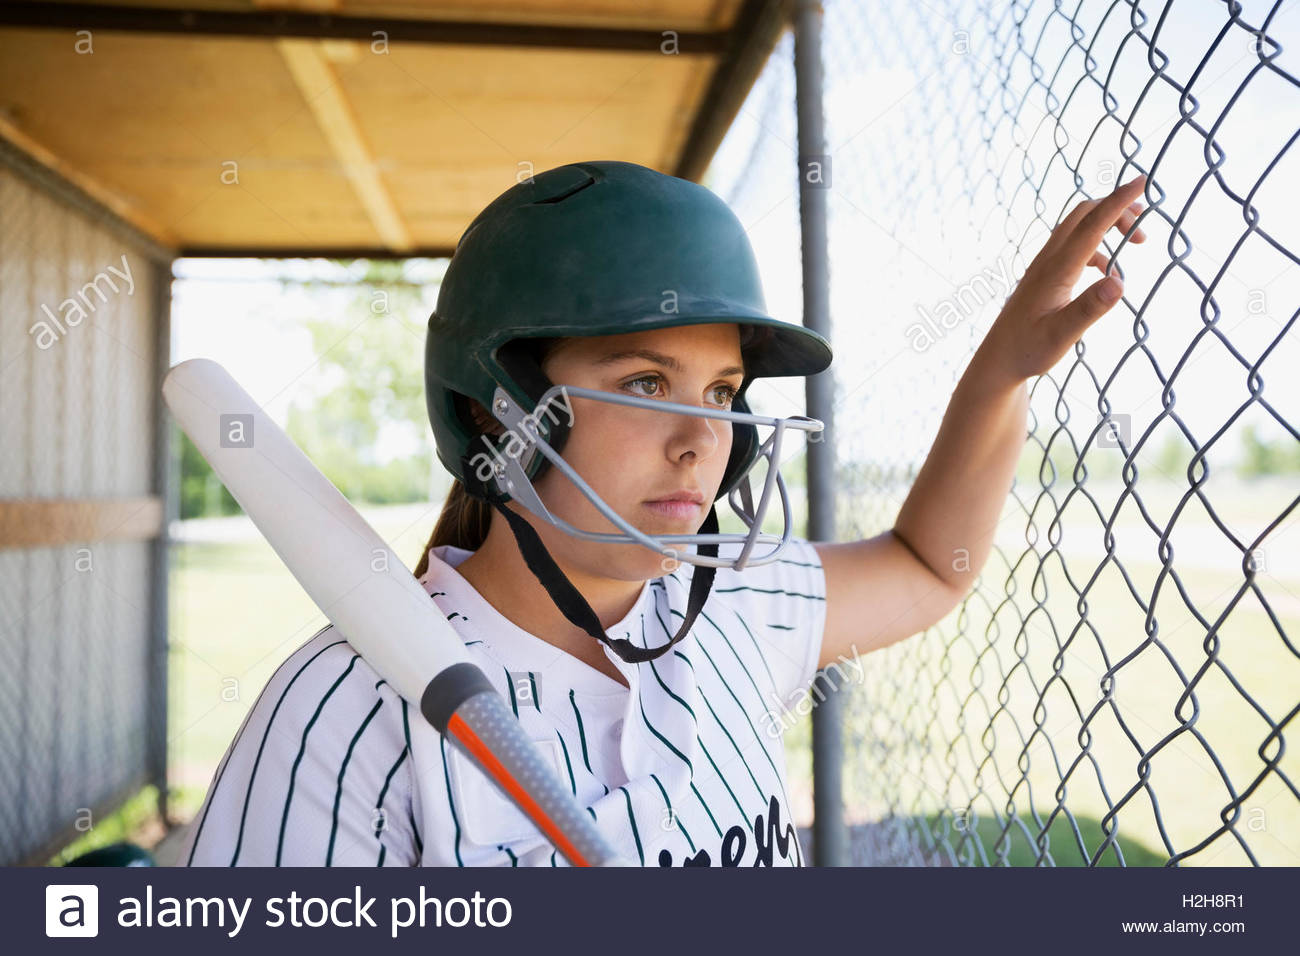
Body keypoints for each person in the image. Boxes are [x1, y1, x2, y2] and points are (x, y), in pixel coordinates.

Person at [179, 160, 1147, 867]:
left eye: (723, 390)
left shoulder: (728, 599)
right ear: (493, 410)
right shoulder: (345, 711)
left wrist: (999, 376)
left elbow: (935, 563)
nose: (701, 438)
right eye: (647, 380)